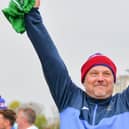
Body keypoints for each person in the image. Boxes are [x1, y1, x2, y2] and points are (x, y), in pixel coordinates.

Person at [4, 0, 129, 128]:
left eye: (107, 74)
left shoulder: (124, 102)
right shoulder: (69, 97)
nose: (100, 78)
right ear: (83, 80)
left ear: (114, 80)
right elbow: (50, 59)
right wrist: (32, 15)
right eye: (94, 73)